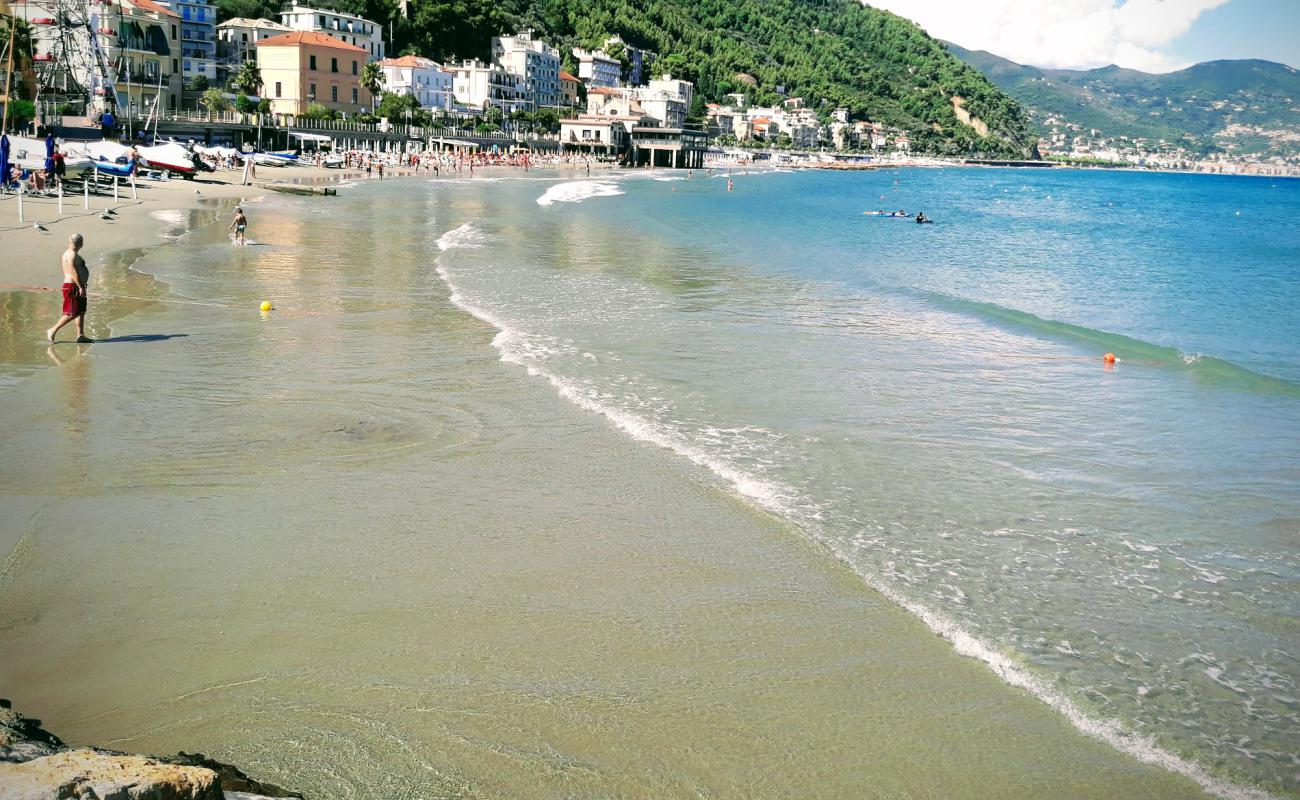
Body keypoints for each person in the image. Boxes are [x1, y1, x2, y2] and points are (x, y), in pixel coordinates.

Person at [47, 233, 92, 343]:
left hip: (75, 285)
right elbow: (72, 270)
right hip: (74, 286)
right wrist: (80, 286)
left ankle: (80, 335)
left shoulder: (67, 253)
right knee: (72, 313)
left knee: (81, 310)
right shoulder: (71, 255)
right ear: (80, 243)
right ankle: (52, 330)